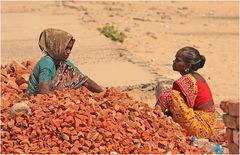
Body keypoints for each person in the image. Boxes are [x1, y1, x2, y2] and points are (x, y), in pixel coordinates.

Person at [155, 47, 216, 138]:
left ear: (189, 66)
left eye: (178, 60)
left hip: (201, 126)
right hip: (206, 124)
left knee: (169, 95)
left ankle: (153, 122)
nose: (173, 61)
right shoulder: (194, 77)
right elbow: (181, 108)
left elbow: (180, 105)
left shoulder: (188, 80)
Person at [26, 28, 104, 96]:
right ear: (56, 46)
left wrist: (104, 93)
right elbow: (43, 90)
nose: (69, 51)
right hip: (35, 99)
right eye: (66, 48)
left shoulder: (64, 63)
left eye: (70, 48)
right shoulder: (47, 63)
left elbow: (85, 81)